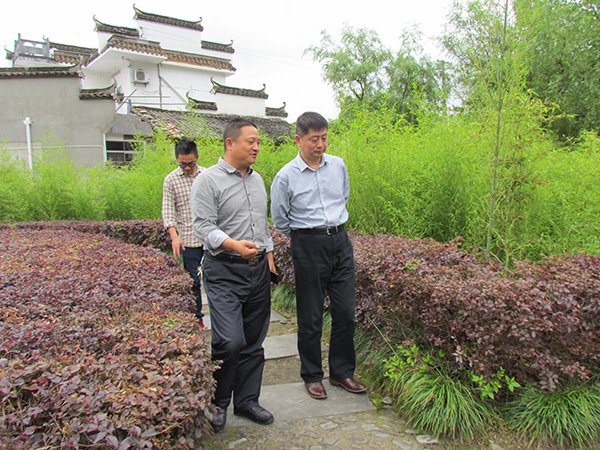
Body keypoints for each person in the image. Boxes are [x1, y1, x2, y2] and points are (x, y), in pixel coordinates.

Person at [270, 111, 366, 400]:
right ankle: (312, 375)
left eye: (324, 138)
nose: (320, 144)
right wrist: (307, 238)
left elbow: (344, 197)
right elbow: (280, 220)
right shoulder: (286, 176)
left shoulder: (338, 165)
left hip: (340, 241)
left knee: (345, 312)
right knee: (311, 315)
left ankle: (341, 372)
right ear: (298, 139)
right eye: (314, 139)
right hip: (307, 245)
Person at [191, 118, 276, 432]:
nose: (256, 147)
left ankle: (247, 401)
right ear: (230, 143)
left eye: (258, 142)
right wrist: (233, 245)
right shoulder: (207, 180)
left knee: (253, 341)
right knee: (229, 341)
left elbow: (262, 226)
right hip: (224, 269)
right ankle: (219, 401)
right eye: (250, 141)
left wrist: (269, 260)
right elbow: (203, 226)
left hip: (257, 271)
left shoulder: (257, 179)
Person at [162, 139, 206, 326]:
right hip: (188, 240)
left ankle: (222, 320)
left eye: (191, 163)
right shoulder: (171, 180)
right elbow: (168, 211)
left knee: (217, 281)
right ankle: (198, 319)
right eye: (183, 164)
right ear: (177, 160)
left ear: (197, 157)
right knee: (193, 282)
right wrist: (174, 236)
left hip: (211, 239)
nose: (187, 168)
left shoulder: (208, 175)